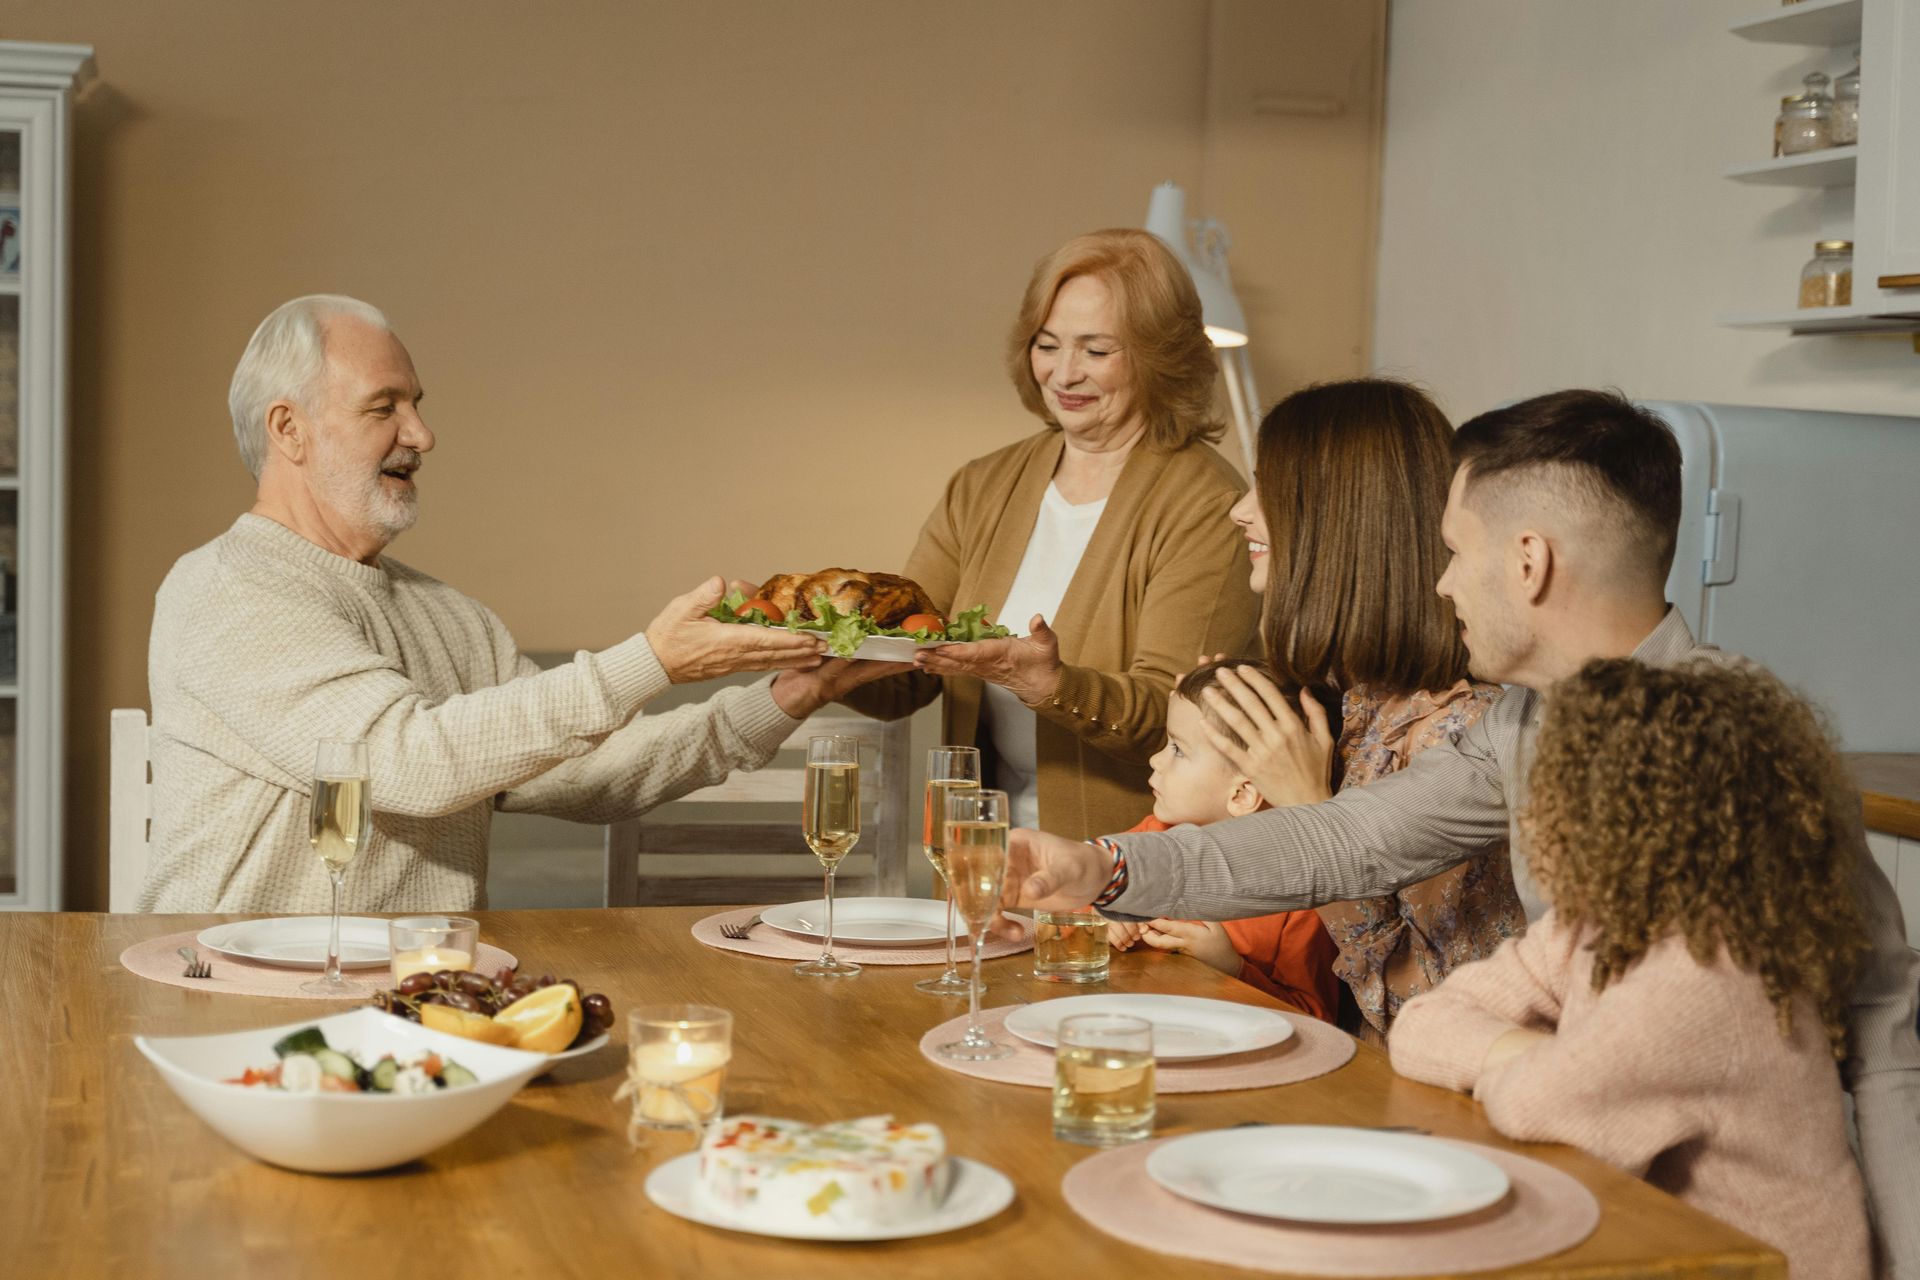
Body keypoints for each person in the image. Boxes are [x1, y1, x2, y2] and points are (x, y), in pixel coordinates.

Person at [1005, 389, 1920, 1273]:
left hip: (1722, 1228)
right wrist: (1097, 866)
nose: (1440, 582)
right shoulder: (1517, 724)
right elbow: (1343, 841)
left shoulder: (1742, 748)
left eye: (1453, 550)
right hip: (1571, 1171)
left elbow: (1881, 1032)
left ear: (1528, 562)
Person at [141, 294, 893, 914]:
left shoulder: (451, 616)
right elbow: (402, 763)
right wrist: (653, 660)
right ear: (289, 430)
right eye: (384, 408)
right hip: (238, 997)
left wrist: (788, 697)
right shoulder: (228, 590)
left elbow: (590, 771)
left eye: (418, 405)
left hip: (420, 999)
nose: (422, 435)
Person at [1389, 659, 1871, 1280]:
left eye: (1553, 795)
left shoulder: (1704, 976)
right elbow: (1421, 1026)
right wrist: (1544, 1053)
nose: (1529, 820)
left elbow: (1532, 1103)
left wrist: (1546, 1064)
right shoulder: (1595, 925)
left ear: (1625, 818)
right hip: (1659, 1244)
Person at [841, 228, 1258, 840]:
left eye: (1096, 350)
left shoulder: (1207, 504)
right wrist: (822, 656)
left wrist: (1052, 685)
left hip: (1128, 871)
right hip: (981, 855)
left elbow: (1175, 716)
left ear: (1156, 356)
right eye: (1048, 344)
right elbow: (908, 664)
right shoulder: (982, 485)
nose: (1064, 373)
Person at [1188, 381, 1523, 1042]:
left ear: (1338, 525)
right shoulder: (1347, 706)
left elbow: (1427, 1020)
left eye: (1267, 490)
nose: (1240, 511)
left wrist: (1311, 810)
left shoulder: (1458, 735)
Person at [1107, 659, 1340, 1023]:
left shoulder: (1304, 896)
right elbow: (1070, 902)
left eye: (1178, 750)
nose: (1154, 759)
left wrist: (1231, 967)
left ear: (1243, 793)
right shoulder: (1154, 834)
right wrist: (1101, 918)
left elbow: (1314, 1018)